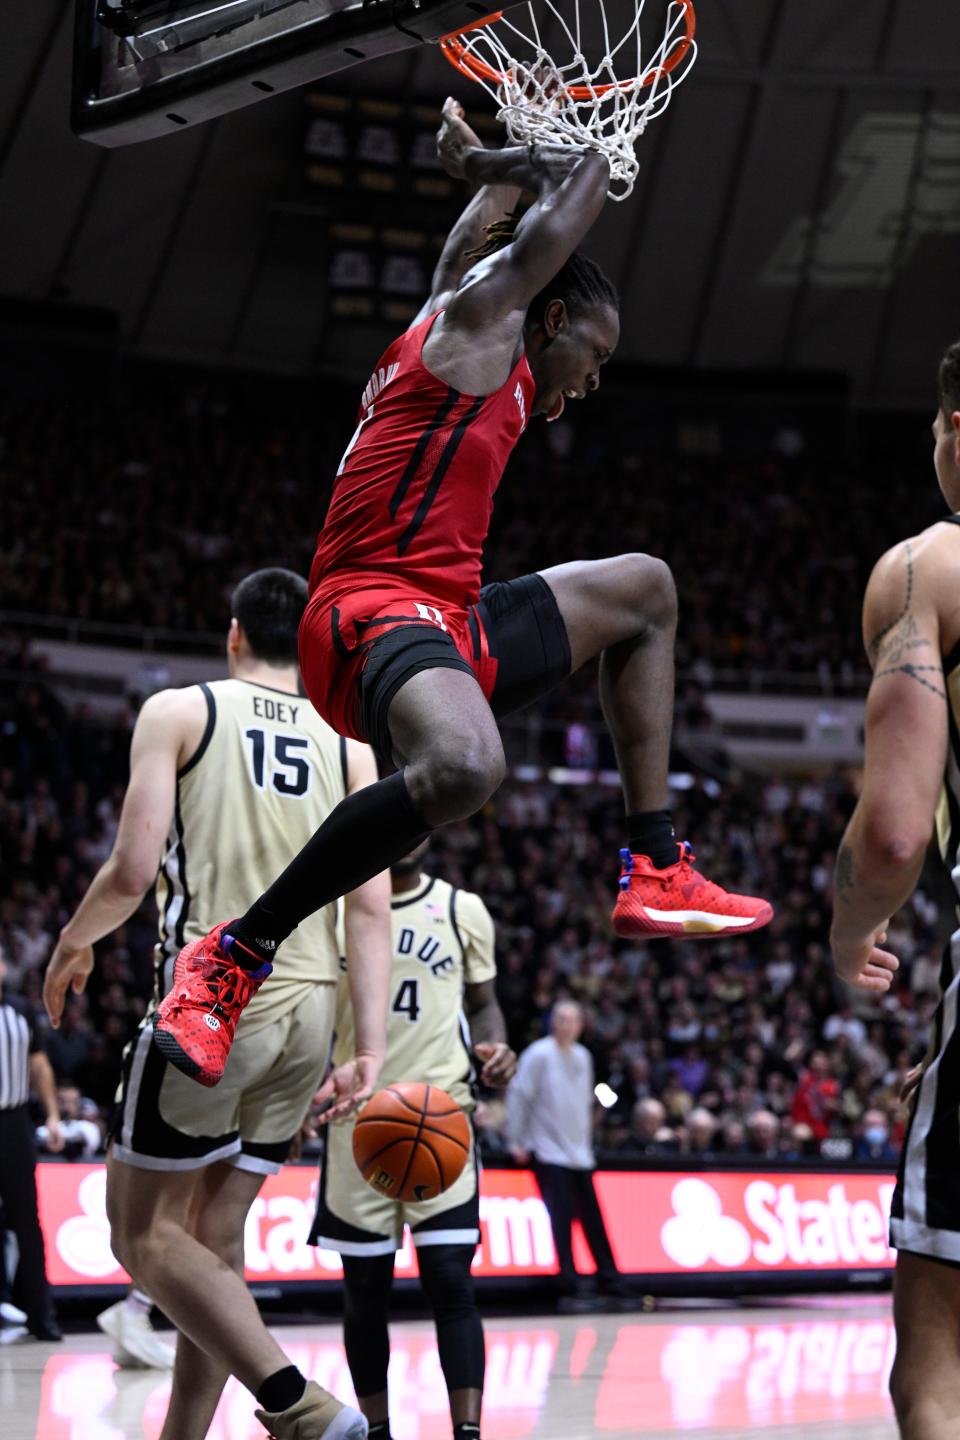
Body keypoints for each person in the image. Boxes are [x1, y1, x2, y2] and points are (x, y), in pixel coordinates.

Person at [152, 99, 772, 1090]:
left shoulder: (460, 309)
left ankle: (655, 860)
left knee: (646, 591)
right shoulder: (486, 321)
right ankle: (234, 953)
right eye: (595, 356)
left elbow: (481, 230)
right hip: (364, 610)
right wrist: (512, 155)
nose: (593, 381)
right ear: (554, 317)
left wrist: (497, 164)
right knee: (472, 763)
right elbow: (572, 195)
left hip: (447, 613)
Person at [44, 568, 389, 1440]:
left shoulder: (180, 710)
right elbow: (373, 906)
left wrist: (74, 939)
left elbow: (130, 871)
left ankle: (295, 1405)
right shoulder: (351, 744)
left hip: (219, 1004)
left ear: (234, 634)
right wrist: (370, 1048)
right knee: (214, 1238)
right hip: (312, 1011)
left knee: (143, 1236)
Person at [828, 339, 960, 1440]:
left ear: (955, 428)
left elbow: (893, 832)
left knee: (937, 1358)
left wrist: (848, 931)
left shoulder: (928, 571)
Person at [310, 841, 515, 1440]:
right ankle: (377, 1431)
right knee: (364, 1290)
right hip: (358, 1122)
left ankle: (468, 1431)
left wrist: (496, 1046)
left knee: (452, 1280)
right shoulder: (334, 909)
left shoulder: (460, 909)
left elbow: (486, 1005)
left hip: (441, 1117)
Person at [506, 1000, 625, 1307]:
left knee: (593, 1220)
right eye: (561, 1019)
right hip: (548, 1150)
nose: (566, 1025)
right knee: (559, 1220)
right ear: (551, 1023)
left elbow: (585, 1102)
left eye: (572, 1020)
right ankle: (567, 1283)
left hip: (580, 1153)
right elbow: (519, 1096)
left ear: (581, 1026)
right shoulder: (538, 1054)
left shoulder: (584, 1057)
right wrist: (516, 1141)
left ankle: (610, 1279)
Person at [0, 945, 62, 1340]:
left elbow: (38, 1064)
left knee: (28, 1221)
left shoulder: (21, 1009)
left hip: (13, 1121)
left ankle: (41, 1317)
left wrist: (54, 1114)